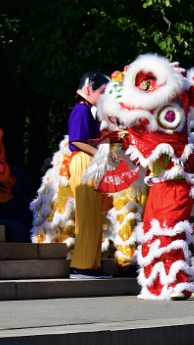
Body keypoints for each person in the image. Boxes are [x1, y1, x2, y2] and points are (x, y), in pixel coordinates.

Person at [66, 71, 112, 280]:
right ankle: (81, 265)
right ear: (88, 89)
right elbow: (76, 140)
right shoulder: (80, 110)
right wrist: (101, 153)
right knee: (87, 216)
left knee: (94, 215)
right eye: (102, 92)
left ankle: (92, 265)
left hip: (90, 163)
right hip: (83, 162)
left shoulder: (88, 111)